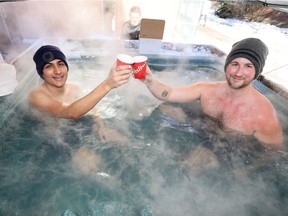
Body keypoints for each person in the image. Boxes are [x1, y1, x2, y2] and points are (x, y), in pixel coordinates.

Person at [142, 37, 283, 150]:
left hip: (231, 150)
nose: (239, 73)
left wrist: (243, 172)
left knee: (194, 163)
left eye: (248, 66)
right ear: (227, 65)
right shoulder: (206, 89)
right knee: (164, 108)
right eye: (235, 64)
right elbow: (169, 93)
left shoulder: (265, 116)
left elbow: (272, 153)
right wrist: (149, 80)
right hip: (203, 130)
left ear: (256, 72)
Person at [28, 45, 132, 175]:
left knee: (123, 141)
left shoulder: (74, 87)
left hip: (81, 124)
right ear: (41, 72)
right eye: (49, 66)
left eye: (60, 64)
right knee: (93, 165)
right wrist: (108, 84)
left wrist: (101, 127)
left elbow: (90, 109)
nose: (57, 71)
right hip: (59, 136)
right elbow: (70, 112)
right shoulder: (37, 96)